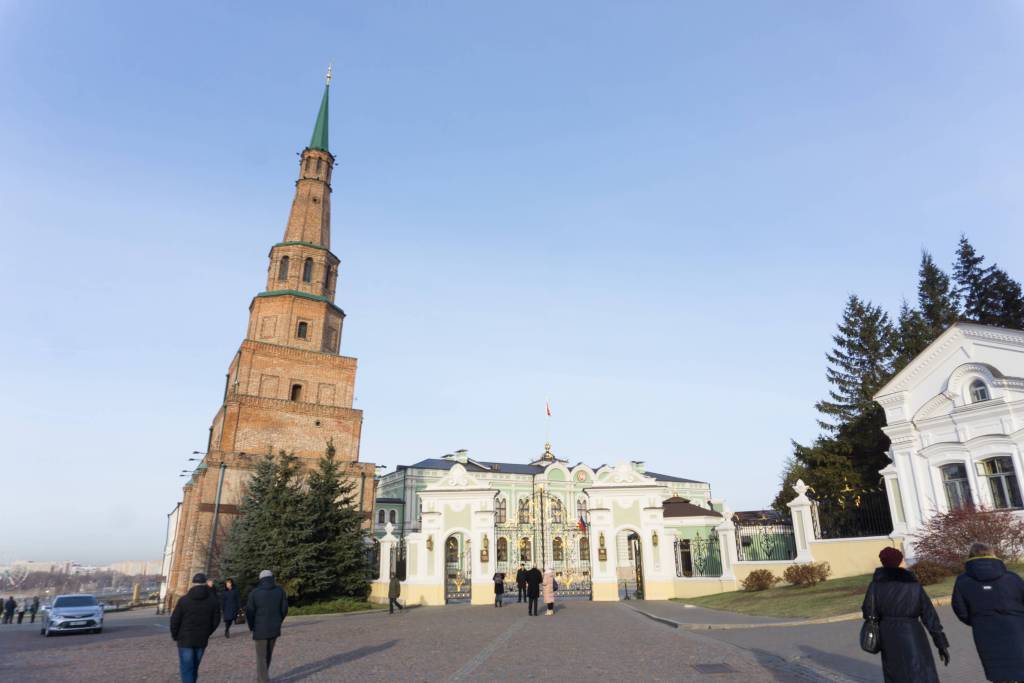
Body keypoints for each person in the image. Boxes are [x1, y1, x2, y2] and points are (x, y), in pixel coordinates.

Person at [863, 547, 949, 683]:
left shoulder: (875, 586)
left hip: (888, 635)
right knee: (920, 671)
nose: (905, 561)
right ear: (898, 562)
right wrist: (941, 643)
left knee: (895, 673)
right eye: (902, 559)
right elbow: (929, 614)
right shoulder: (913, 585)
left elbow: (868, 612)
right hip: (912, 633)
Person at [952, 542, 1024, 683]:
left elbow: (960, 609)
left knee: (998, 670)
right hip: (1016, 629)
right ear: (992, 554)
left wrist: (977, 621)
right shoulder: (1012, 578)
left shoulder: (962, 581)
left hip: (984, 631)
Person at [169, 572, 221, 683]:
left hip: (185, 638)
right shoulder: (213, 600)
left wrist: (175, 635)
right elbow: (216, 620)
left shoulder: (184, 600)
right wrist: (208, 632)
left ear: (193, 583)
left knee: (187, 669)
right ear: (205, 583)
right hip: (201, 638)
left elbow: (175, 620)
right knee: (194, 667)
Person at [246, 569, 288, 683]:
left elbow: (249, 613)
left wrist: (252, 626)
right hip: (274, 627)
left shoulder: (254, 593)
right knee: (268, 654)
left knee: (261, 657)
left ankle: (262, 679)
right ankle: (263, 677)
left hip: (260, 629)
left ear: (260, 579)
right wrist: (278, 621)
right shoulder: (280, 591)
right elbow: (284, 609)